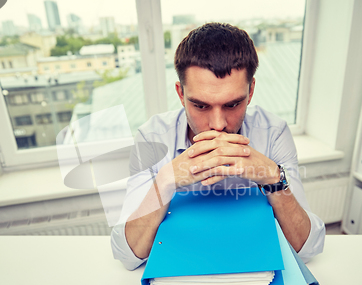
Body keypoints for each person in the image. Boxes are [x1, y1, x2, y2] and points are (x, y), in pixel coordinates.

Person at [111, 23, 325, 270]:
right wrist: (164, 182)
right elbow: (126, 255)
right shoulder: (152, 138)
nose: (218, 124)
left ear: (251, 91)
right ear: (181, 94)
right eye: (200, 106)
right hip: (181, 266)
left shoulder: (273, 133)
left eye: (233, 104)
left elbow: (308, 248)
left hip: (254, 267)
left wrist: (273, 177)